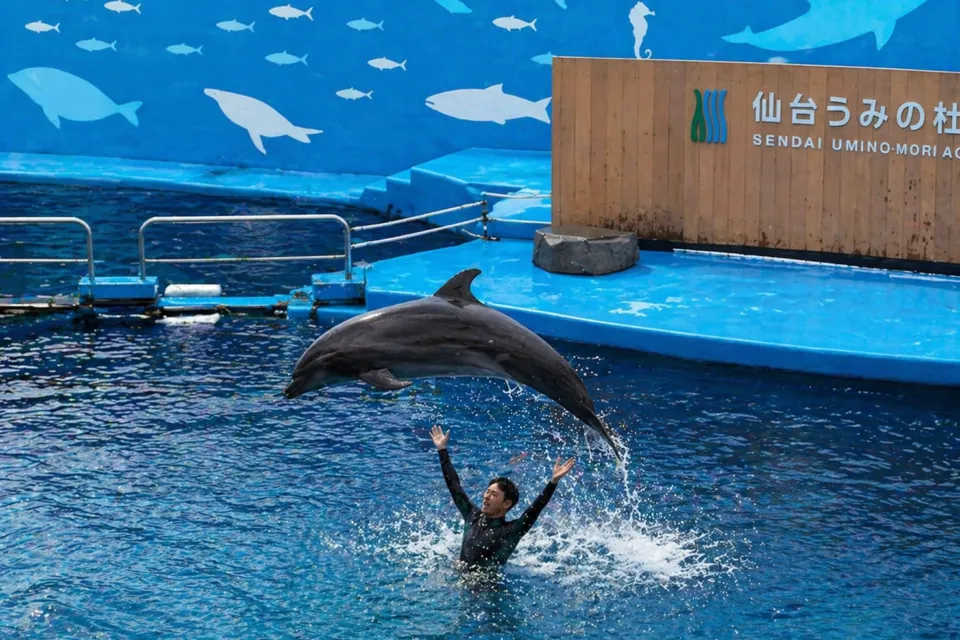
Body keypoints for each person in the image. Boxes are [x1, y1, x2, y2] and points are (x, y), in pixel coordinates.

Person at [430, 425, 576, 572]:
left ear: (506, 503)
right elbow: (454, 486)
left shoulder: (511, 531)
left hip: (486, 584)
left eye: (494, 494)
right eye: (487, 492)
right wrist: (442, 450)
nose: (486, 497)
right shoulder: (472, 516)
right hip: (459, 575)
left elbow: (535, 509)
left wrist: (553, 482)